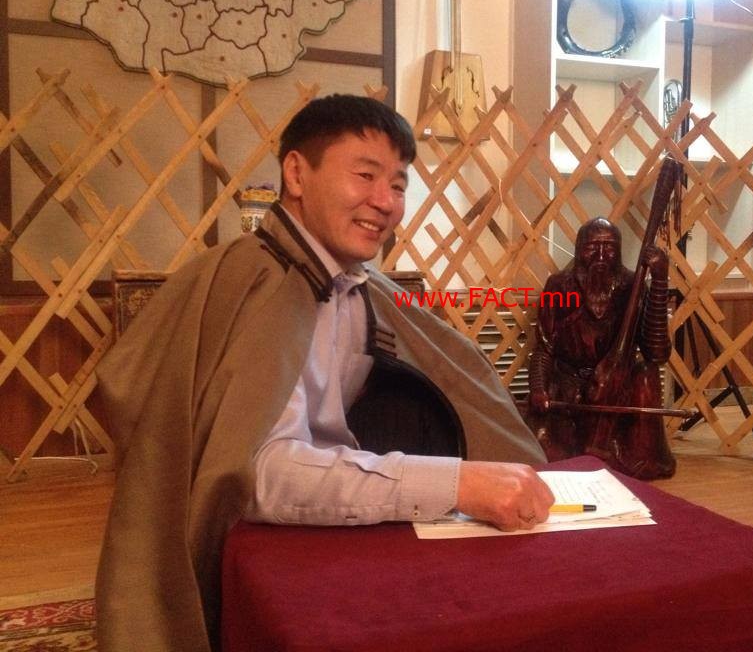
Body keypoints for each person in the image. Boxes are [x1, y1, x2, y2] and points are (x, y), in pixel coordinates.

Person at [94, 94, 551, 652]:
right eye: (365, 175)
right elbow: (262, 477)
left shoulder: (363, 287)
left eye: (399, 185)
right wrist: (454, 483)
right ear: (296, 174)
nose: (385, 202)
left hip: (338, 522)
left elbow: (464, 384)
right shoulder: (255, 284)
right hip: (259, 545)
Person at [526, 217, 673, 478]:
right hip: (569, 388)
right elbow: (544, 349)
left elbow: (656, 354)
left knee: (646, 373)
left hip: (618, 390)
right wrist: (539, 388)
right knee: (541, 452)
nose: (602, 256)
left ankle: (630, 456)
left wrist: (660, 280)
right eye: (592, 247)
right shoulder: (559, 286)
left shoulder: (633, 286)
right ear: (579, 249)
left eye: (610, 247)